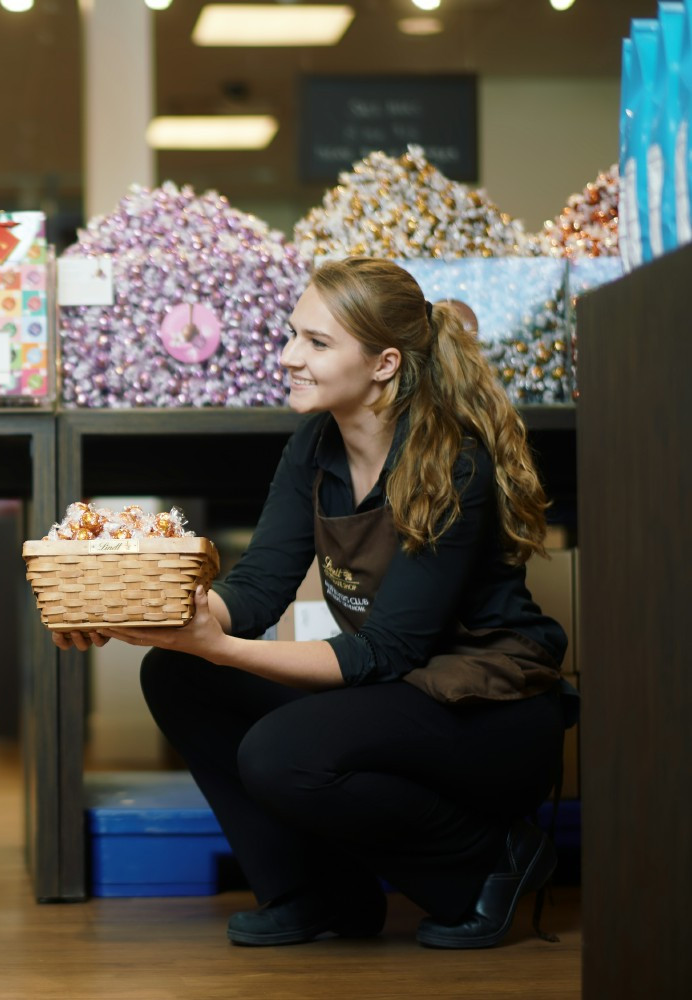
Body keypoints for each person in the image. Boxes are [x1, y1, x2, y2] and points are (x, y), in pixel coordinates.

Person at [56, 257, 574, 950]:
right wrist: (143, 620)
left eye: (317, 343)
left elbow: (385, 651)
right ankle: (317, 895)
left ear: (385, 363)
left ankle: (487, 862)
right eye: (293, 334)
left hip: (487, 712)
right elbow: (259, 587)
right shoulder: (316, 444)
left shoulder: (454, 464)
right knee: (180, 676)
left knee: (282, 752)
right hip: (399, 691)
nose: (289, 357)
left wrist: (223, 646)